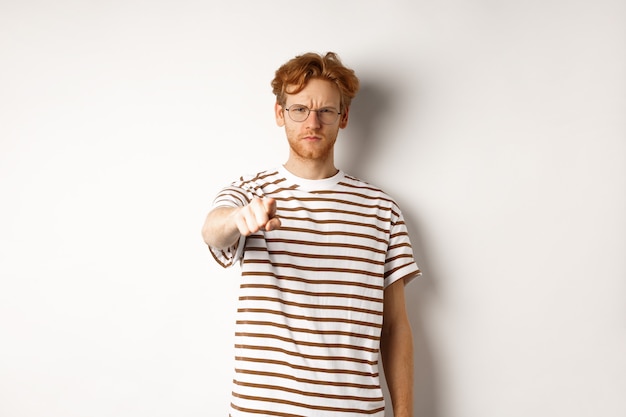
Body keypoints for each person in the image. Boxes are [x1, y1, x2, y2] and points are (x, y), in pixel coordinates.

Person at [201, 52, 421, 417]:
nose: (312, 122)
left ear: (344, 117)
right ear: (279, 114)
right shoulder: (249, 192)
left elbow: (396, 327)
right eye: (299, 109)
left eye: (326, 111)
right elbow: (213, 229)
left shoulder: (382, 210)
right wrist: (239, 219)